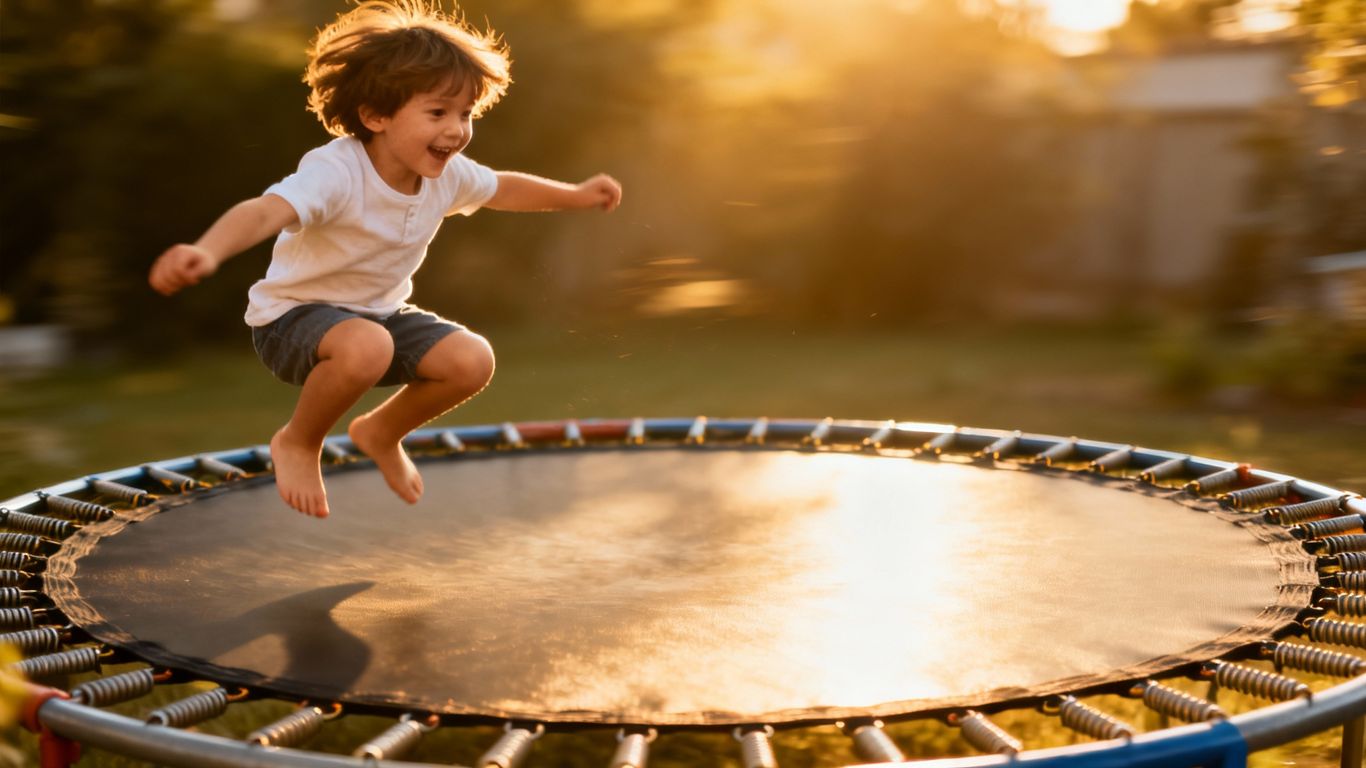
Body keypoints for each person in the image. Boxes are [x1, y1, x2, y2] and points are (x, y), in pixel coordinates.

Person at [148, 0, 622, 518]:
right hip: (291, 321)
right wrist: (206, 250)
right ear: (376, 116)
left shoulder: (449, 174)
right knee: (367, 346)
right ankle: (299, 442)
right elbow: (265, 212)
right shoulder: (337, 172)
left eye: (466, 114)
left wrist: (576, 194)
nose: (457, 130)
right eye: (438, 112)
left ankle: (380, 431)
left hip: (379, 316)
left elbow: (504, 188)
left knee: (471, 360)